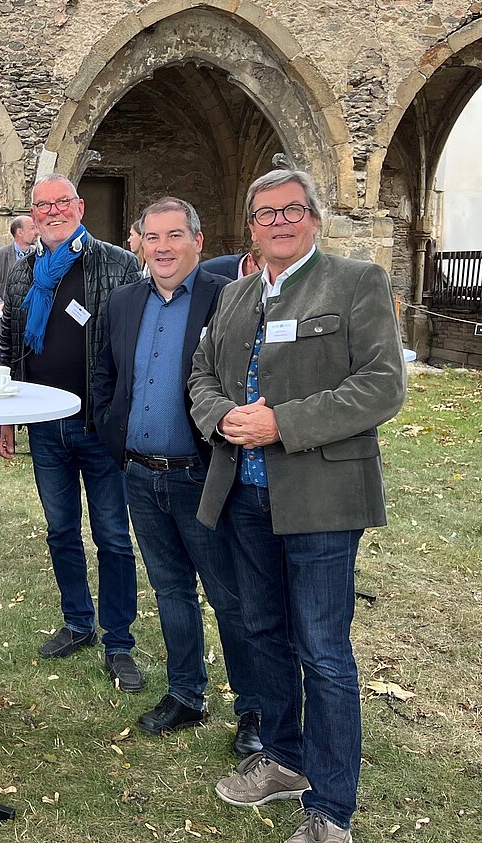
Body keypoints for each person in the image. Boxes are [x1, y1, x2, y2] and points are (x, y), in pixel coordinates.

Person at [189, 169, 405, 843]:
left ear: (312, 216)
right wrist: (222, 416)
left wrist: (281, 423)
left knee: (323, 650)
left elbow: (381, 385)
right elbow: (202, 373)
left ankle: (332, 811)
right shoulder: (235, 294)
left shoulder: (356, 282)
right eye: (266, 213)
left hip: (321, 499)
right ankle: (284, 758)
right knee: (262, 631)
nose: (279, 222)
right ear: (251, 227)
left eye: (291, 210)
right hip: (245, 497)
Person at [92, 197, 261, 757]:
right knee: (169, 590)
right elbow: (105, 372)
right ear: (139, 242)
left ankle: (255, 709)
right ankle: (187, 694)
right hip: (140, 476)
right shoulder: (123, 301)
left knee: (228, 596)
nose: (162, 248)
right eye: (152, 237)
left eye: (174, 236)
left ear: (198, 241)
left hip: (203, 476)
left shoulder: (227, 298)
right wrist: (112, 431)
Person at [0, 174, 142, 691]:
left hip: (99, 429)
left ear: (80, 207)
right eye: (43, 205)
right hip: (45, 428)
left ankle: (119, 641)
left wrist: (123, 416)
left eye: (62, 202)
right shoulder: (24, 271)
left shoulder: (117, 264)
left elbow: (131, 347)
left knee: (113, 537)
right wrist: (7, 415)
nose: (53, 211)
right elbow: (10, 343)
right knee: (61, 530)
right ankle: (79, 621)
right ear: (32, 213)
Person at [0, 214, 37, 308]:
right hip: (9, 312)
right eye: (32, 228)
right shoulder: (0, 256)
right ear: (20, 232)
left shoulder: (38, 255)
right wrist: (0, 304)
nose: (37, 232)